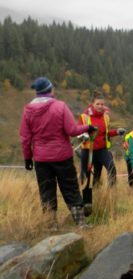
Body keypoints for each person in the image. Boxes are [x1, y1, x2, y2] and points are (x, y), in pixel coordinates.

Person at [19, 76, 94, 229]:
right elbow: (72, 131)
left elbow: (25, 138)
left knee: (46, 191)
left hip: (41, 159)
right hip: (62, 157)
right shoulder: (60, 106)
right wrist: (87, 127)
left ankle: (51, 225)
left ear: (37, 93)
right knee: (70, 188)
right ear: (50, 89)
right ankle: (80, 223)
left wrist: (27, 158)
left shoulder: (28, 110)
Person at [78, 90, 126, 216]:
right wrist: (84, 136)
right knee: (86, 177)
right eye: (98, 104)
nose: (100, 106)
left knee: (111, 168)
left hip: (102, 150)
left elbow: (105, 134)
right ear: (92, 104)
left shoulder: (106, 117)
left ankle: (111, 197)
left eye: (102, 104)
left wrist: (116, 132)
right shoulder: (85, 117)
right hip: (88, 151)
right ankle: (87, 205)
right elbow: (77, 132)